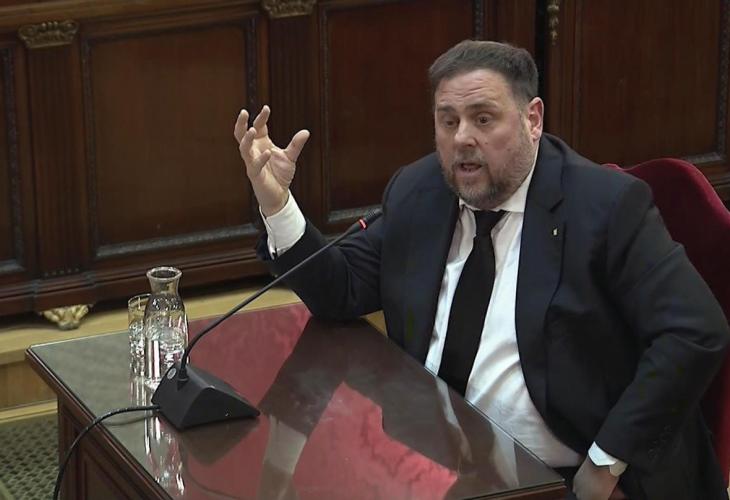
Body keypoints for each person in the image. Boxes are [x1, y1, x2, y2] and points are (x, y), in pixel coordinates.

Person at [233, 40, 730, 500]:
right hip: (443, 467)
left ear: (533, 119)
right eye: (447, 121)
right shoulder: (421, 191)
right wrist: (276, 203)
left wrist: (605, 462)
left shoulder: (603, 208)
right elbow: (339, 290)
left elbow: (695, 329)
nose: (462, 139)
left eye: (483, 119)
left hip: (571, 476)